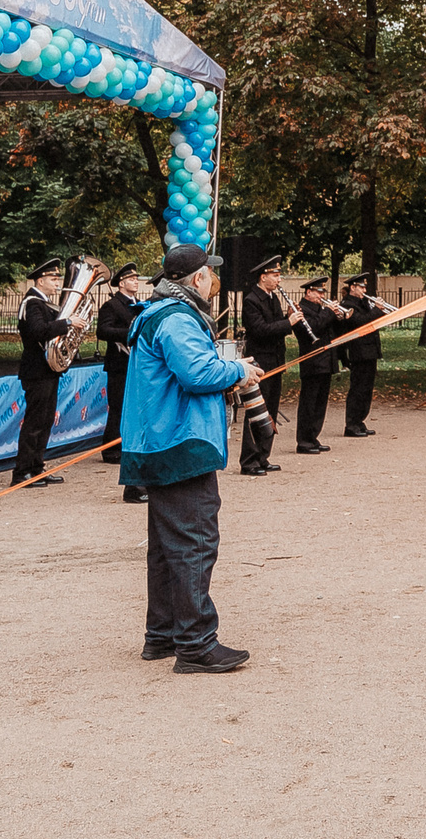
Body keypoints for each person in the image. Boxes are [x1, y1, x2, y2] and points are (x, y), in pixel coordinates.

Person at [119, 244, 263, 674]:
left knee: (167, 547)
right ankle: (197, 644)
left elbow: (187, 368)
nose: (214, 282)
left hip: (156, 441)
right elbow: (197, 375)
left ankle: (162, 635)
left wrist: (229, 366)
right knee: (196, 541)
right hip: (178, 441)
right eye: (210, 274)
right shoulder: (178, 318)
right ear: (197, 278)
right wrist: (238, 371)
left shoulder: (158, 313)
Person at [13, 259, 80, 487]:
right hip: (36, 371)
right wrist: (68, 321)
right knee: (35, 423)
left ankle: (37, 468)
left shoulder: (44, 303)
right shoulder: (32, 303)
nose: (57, 282)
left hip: (47, 370)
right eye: (53, 278)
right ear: (40, 280)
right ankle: (22, 473)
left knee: (45, 422)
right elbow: (39, 331)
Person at [96, 265, 145, 474]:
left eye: (136, 278)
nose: (136, 281)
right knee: (117, 406)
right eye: (131, 279)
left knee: (133, 406)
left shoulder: (140, 305)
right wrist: (130, 333)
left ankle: (127, 444)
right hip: (119, 363)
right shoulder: (112, 305)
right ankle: (112, 449)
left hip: (136, 363)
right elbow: (103, 331)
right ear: (122, 283)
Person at [290, 278, 341, 454]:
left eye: (322, 293)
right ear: (308, 292)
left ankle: (313, 437)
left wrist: (337, 315)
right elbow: (313, 328)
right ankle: (303, 441)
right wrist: (328, 312)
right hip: (312, 361)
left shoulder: (320, 309)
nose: (321, 296)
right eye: (318, 292)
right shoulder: (301, 310)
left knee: (320, 403)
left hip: (325, 360)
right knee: (309, 403)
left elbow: (330, 330)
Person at [337, 274, 390, 437]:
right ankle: (351, 424)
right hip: (357, 352)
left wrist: (378, 310)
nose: (364, 290)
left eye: (365, 287)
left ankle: (360, 421)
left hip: (369, 351)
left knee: (367, 388)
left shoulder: (363, 303)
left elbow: (372, 322)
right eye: (361, 287)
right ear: (353, 287)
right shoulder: (347, 304)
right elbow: (361, 323)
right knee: (357, 389)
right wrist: (376, 309)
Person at [242, 257, 293, 422]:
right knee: (259, 412)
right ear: (263, 277)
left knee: (272, 409)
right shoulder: (252, 300)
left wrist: (289, 317)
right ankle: (254, 448)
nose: (279, 279)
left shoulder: (273, 298)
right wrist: (288, 322)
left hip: (275, 360)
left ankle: (265, 448)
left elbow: (276, 326)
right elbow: (260, 330)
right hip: (261, 361)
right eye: (275, 275)